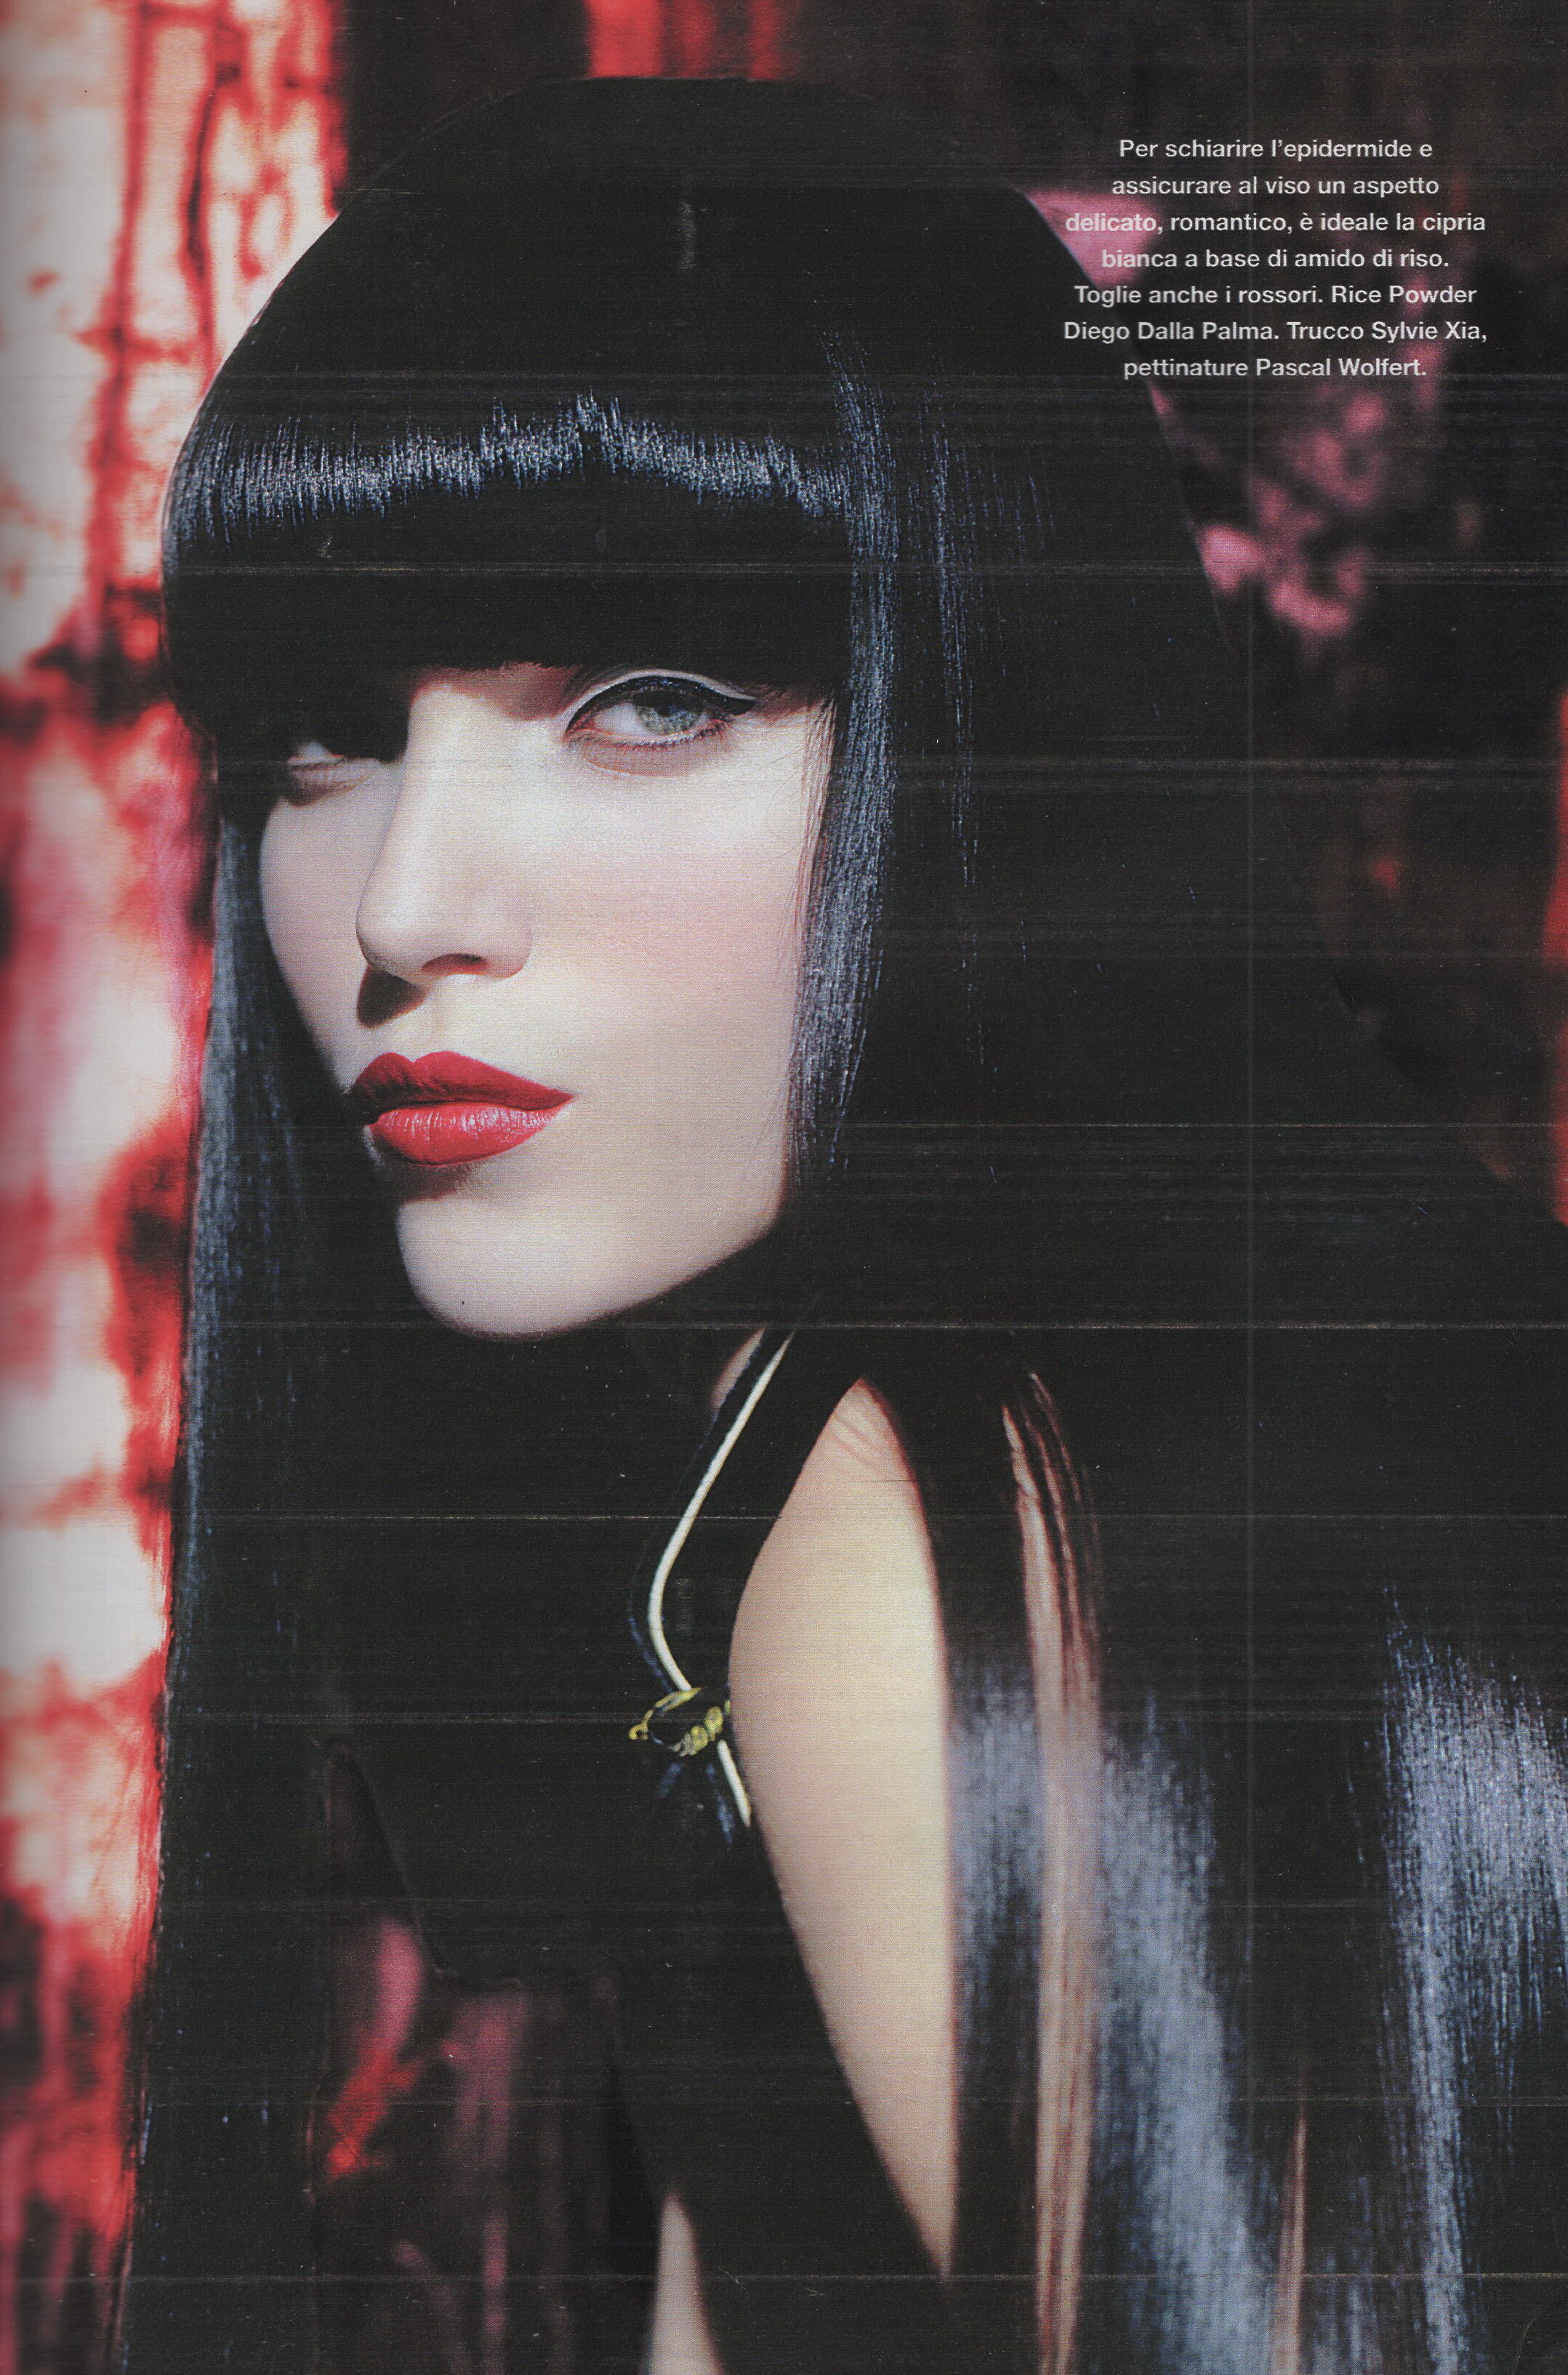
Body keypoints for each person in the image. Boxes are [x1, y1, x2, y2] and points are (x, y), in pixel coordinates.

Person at [121, 77, 1568, 2375]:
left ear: (1007, 730)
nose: (404, 903)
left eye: (650, 701)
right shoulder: (1008, 1450)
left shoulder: (917, 1515)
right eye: (325, 737)